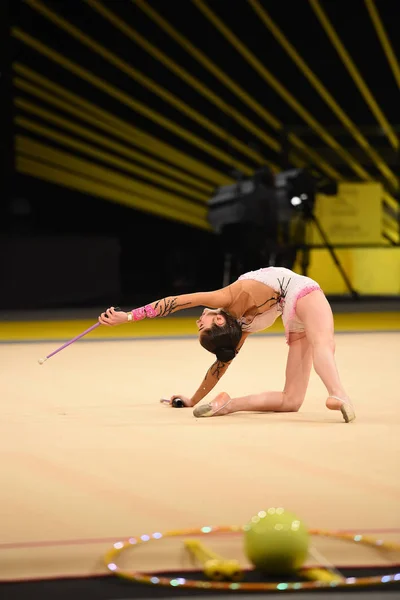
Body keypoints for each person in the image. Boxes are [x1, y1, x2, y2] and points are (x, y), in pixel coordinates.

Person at [98, 266, 355, 423]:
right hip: (301, 293)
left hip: (292, 311)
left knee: (291, 401)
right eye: (202, 325)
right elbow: (176, 303)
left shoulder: (240, 326)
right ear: (218, 319)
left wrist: (193, 399)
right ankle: (338, 393)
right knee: (323, 341)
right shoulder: (230, 310)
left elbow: (218, 366)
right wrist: (128, 317)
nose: (198, 320)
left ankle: (229, 405)